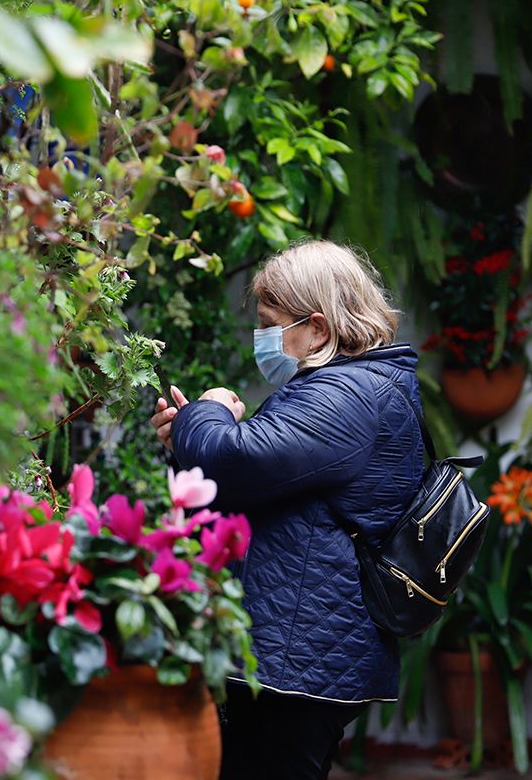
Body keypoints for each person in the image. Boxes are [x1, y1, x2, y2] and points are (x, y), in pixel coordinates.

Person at [150, 240, 424, 780]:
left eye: (272, 323)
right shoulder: (351, 390)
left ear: (318, 329)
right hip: (297, 648)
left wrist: (206, 412)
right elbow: (256, 482)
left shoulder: (348, 397)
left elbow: (235, 459)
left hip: (302, 654)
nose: (264, 338)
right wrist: (186, 440)